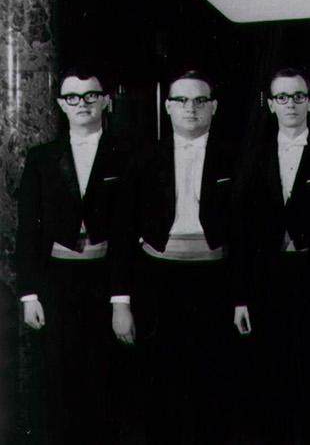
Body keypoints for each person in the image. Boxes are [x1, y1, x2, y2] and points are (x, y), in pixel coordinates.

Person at [110, 70, 241, 444]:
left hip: (214, 282)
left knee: (212, 388)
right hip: (157, 281)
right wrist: (121, 302)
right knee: (158, 388)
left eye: (200, 101)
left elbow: (245, 235)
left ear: (213, 108)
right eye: (181, 100)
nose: (191, 108)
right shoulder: (143, 158)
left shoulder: (235, 158)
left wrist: (240, 297)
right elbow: (121, 234)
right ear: (167, 108)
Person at [14, 69, 128, 445]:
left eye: (91, 96)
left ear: (106, 100)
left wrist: (120, 299)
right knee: (57, 378)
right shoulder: (42, 157)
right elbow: (28, 228)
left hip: (105, 281)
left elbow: (128, 232)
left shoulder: (126, 154)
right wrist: (29, 294)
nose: (83, 104)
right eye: (73, 98)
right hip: (55, 282)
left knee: (105, 377)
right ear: (62, 105)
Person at [230, 68, 310, 444]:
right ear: (271, 104)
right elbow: (241, 233)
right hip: (266, 285)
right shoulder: (252, 157)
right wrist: (241, 297)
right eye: (282, 97)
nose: (290, 104)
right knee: (268, 384)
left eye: (298, 96)